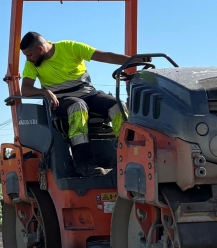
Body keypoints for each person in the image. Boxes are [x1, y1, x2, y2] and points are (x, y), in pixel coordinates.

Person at [18, 32, 134, 176]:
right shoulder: (32, 64)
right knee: (77, 107)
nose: (28, 59)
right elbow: (26, 89)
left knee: (118, 106)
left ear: (40, 50)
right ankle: (83, 164)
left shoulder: (70, 47)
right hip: (62, 100)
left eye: (29, 55)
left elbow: (105, 56)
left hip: (89, 94)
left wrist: (132, 60)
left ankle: (127, 155)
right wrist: (45, 92)